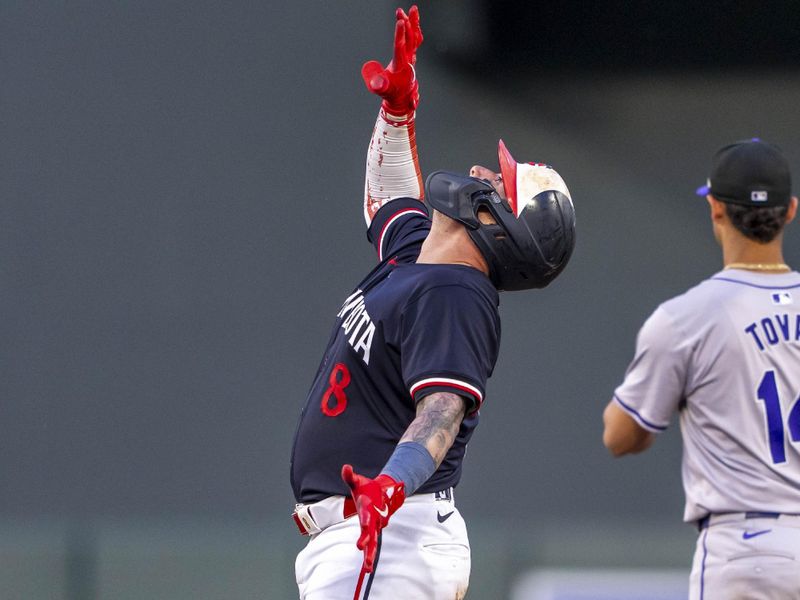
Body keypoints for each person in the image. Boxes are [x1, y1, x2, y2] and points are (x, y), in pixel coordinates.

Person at [289, 6, 576, 599]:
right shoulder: (421, 261)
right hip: (373, 531)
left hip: (391, 531)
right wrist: (397, 113)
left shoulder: (456, 292)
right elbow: (387, 199)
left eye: (496, 183)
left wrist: (389, 489)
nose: (478, 171)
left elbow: (442, 411)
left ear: (498, 225)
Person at [603, 138, 800, 599]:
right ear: (790, 210)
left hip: (746, 548)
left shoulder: (686, 318)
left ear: (715, 208)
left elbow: (621, 436)